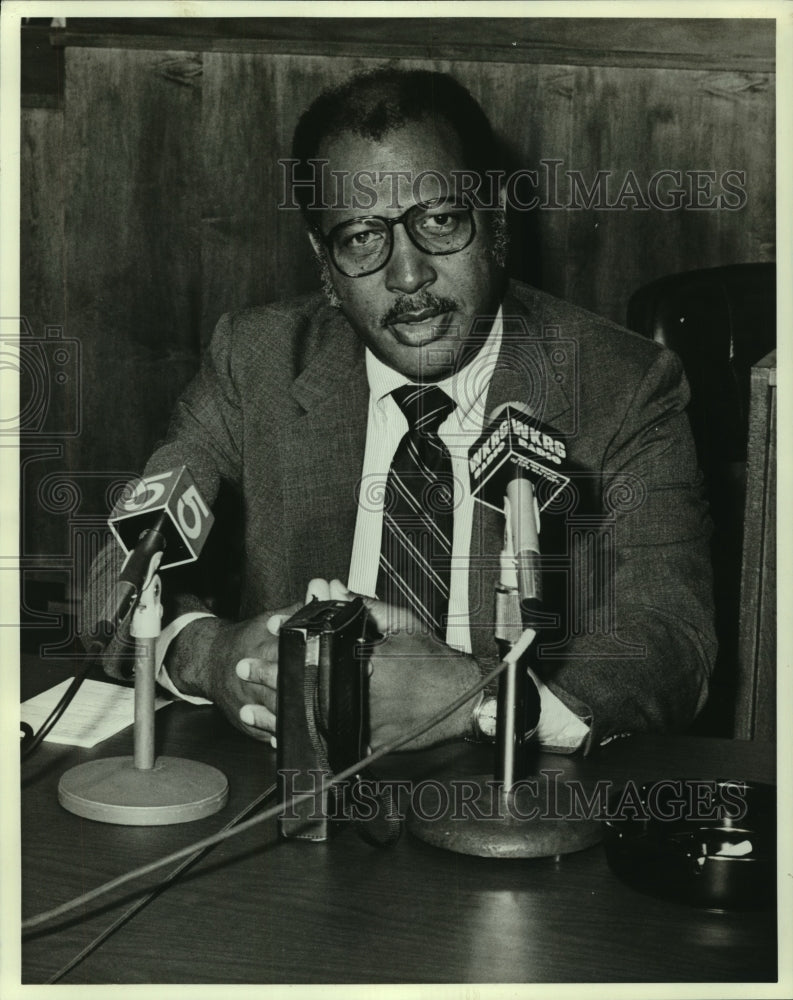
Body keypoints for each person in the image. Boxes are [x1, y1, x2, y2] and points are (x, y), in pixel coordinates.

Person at [82, 67, 715, 756]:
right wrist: (210, 656)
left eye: (439, 221)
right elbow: (112, 579)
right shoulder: (254, 360)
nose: (407, 276)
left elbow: (669, 645)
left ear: (496, 221)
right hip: (291, 791)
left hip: (511, 797)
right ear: (323, 262)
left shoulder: (621, 384)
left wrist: (478, 697)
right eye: (360, 237)